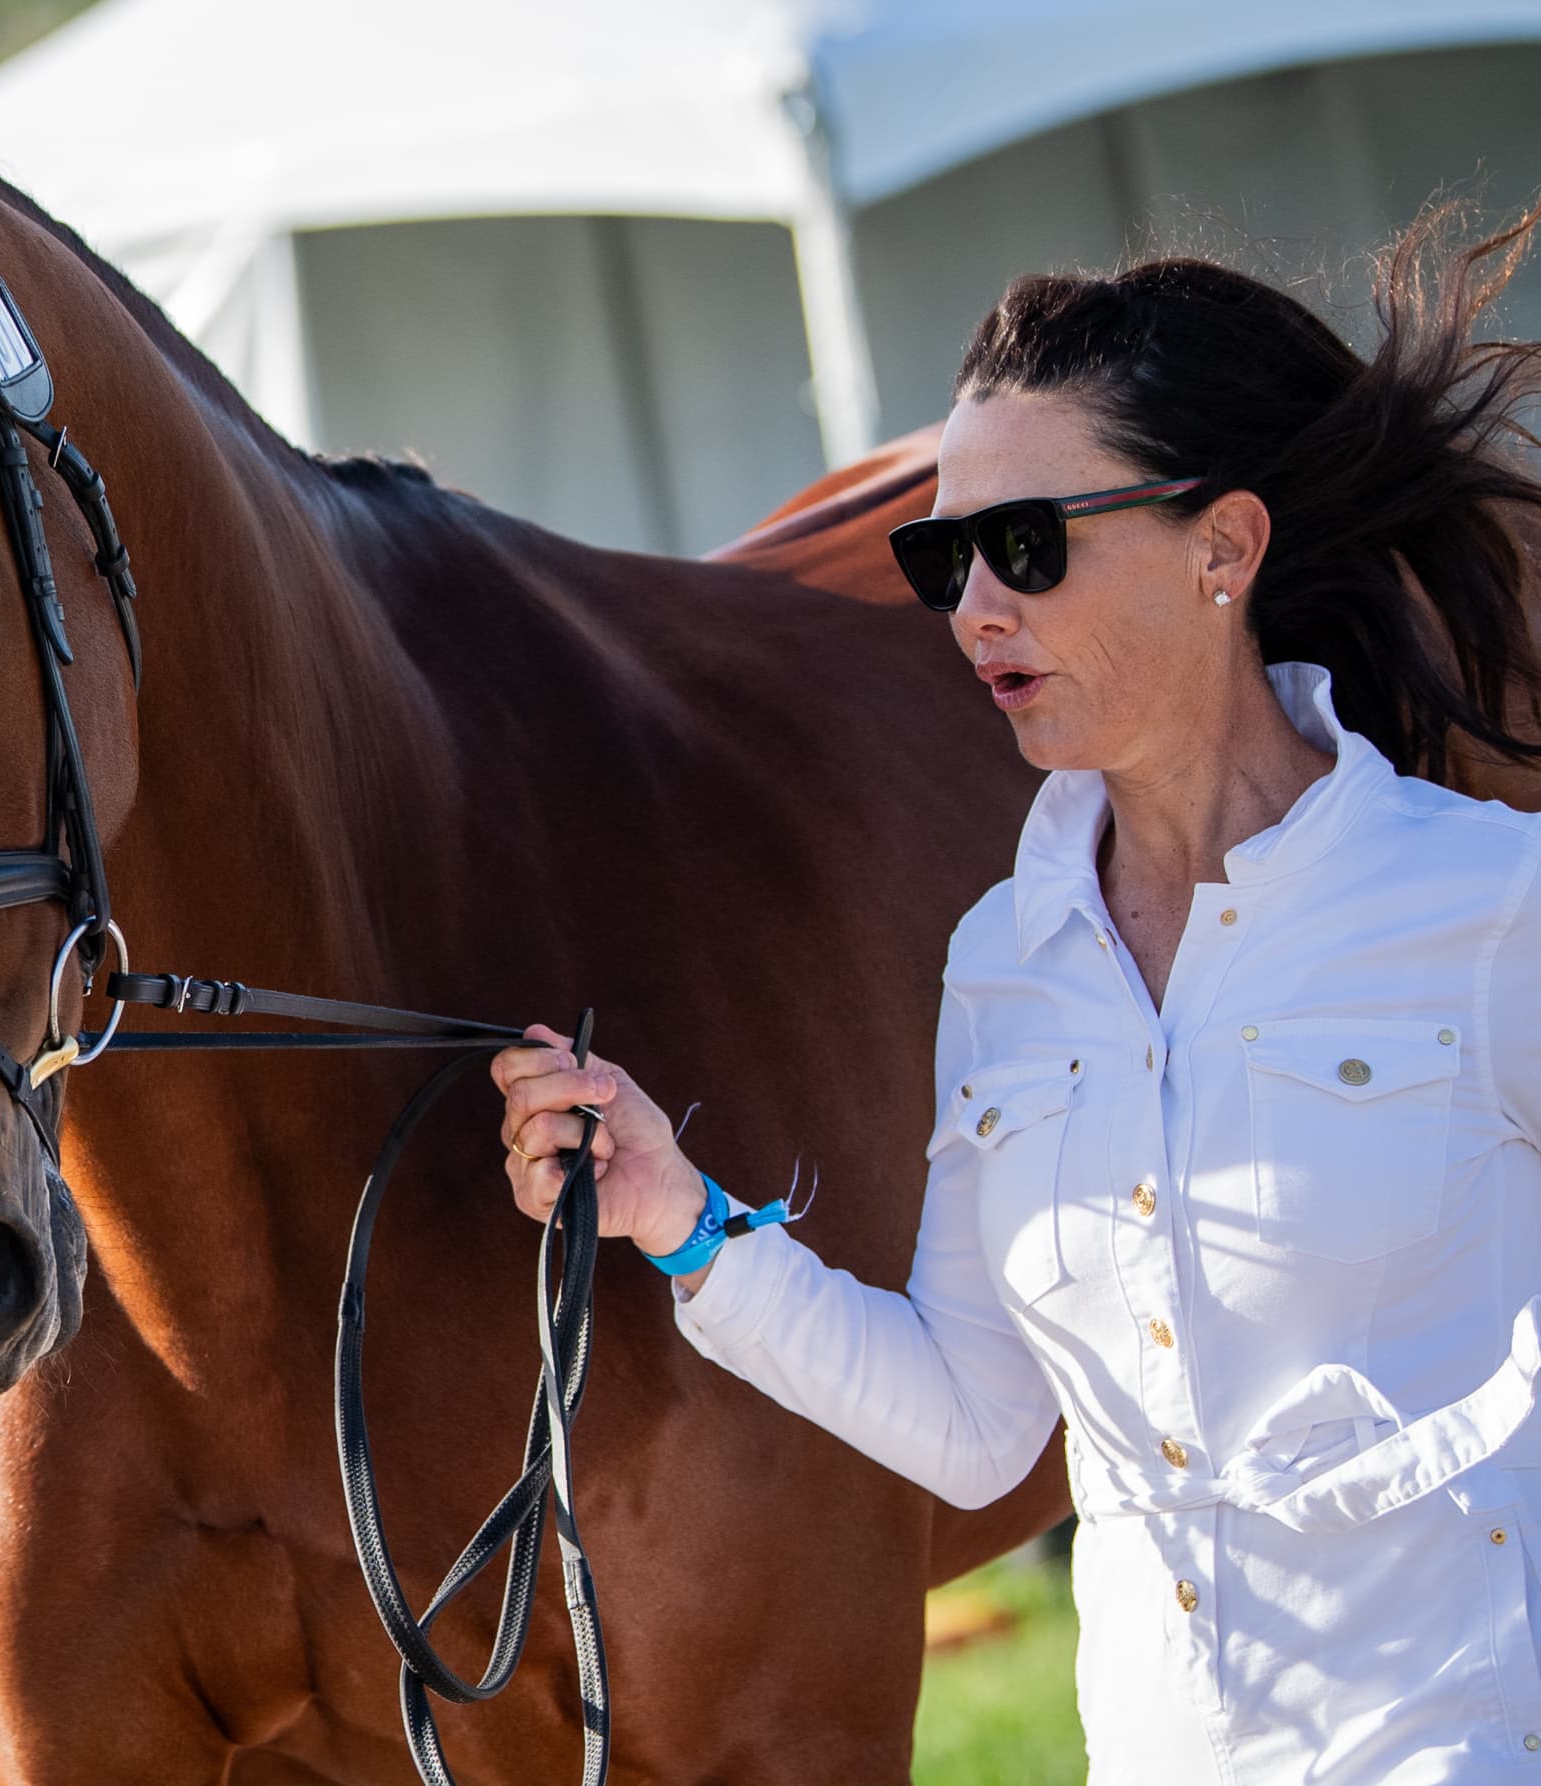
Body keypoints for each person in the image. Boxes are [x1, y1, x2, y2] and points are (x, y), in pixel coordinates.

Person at [499, 198, 1541, 1783]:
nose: (975, 607)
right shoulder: (1005, 960)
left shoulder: (1485, 903)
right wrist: (683, 1219)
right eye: (943, 555)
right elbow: (981, 1419)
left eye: (1029, 544)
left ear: (1225, 546)